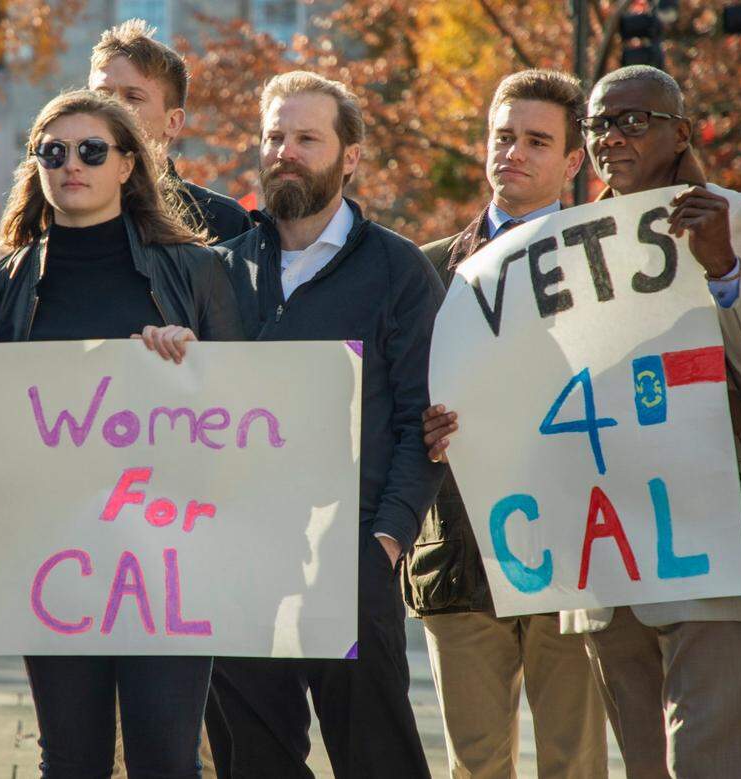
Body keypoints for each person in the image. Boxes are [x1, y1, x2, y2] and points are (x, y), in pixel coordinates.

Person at [426, 64, 741, 779]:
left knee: (713, 763)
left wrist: (722, 273)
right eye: (600, 123)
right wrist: (461, 426)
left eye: (634, 120)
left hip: (708, 539)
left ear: (681, 133)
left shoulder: (738, 216)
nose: (612, 137)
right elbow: (537, 393)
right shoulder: (563, 243)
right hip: (603, 552)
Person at [0, 89, 243, 778]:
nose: (70, 164)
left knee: (165, 757)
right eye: (52, 151)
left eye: (91, 150)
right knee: (70, 759)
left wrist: (193, 360)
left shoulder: (196, 272)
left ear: (129, 165)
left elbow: (244, 417)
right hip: (53, 562)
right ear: (35, 166)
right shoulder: (2, 285)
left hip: (170, 559)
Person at [202, 70, 445, 779]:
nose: (285, 151)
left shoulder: (399, 270)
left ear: (350, 156)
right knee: (255, 764)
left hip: (353, 560)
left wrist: (388, 540)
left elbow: (420, 420)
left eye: (307, 137)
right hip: (239, 564)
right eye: (274, 136)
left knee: (378, 759)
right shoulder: (217, 271)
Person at [403, 68, 607, 779]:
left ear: (573, 161)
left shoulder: (606, 272)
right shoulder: (424, 274)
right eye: (502, 136)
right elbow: (390, 411)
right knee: (476, 765)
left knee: (573, 763)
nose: (512, 152)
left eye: (536, 140)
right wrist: (418, 427)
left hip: (578, 559)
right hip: (458, 559)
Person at [90, 18, 252, 243]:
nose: (113, 106)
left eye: (133, 97)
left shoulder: (223, 222)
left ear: (173, 122)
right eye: (102, 95)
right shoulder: (58, 209)